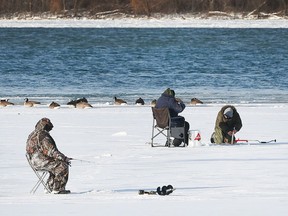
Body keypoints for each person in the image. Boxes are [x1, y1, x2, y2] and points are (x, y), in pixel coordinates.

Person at [26, 118, 71, 194]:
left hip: (34, 161)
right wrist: (63, 158)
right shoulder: (43, 136)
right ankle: (58, 189)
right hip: (40, 162)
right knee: (62, 165)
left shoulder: (32, 134)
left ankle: (49, 188)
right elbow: (51, 151)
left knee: (55, 165)